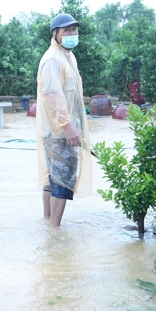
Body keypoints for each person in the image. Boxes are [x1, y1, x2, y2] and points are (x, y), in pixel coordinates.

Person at [36, 13, 92, 227]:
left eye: (74, 30)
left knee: (53, 177)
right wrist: (68, 128)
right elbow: (52, 96)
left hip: (58, 129)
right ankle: (55, 230)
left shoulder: (68, 56)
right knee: (62, 179)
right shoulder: (52, 59)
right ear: (55, 34)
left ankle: (48, 224)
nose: (72, 34)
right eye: (67, 30)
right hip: (59, 131)